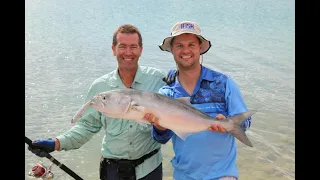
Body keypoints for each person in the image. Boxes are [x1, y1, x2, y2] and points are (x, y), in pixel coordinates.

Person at [28, 24, 167, 180]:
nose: (128, 52)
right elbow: (87, 126)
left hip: (150, 169)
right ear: (113, 49)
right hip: (112, 171)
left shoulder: (159, 80)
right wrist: (56, 143)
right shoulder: (100, 88)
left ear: (141, 49)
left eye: (133, 47)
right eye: (122, 47)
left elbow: (178, 110)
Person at [148, 21, 253, 180]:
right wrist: (159, 127)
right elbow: (161, 139)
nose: (186, 51)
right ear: (172, 50)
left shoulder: (223, 83)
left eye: (191, 45)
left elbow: (244, 123)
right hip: (184, 175)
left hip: (223, 175)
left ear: (200, 48)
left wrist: (227, 123)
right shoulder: (166, 93)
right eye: (180, 46)